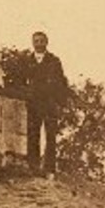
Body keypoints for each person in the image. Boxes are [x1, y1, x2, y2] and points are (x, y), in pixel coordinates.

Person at [22, 30, 69, 179]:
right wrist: (26, 96)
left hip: (49, 103)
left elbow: (61, 83)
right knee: (33, 135)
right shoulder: (27, 61)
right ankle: (33, 167)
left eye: (41, 41)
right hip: (33, 103)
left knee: (50, 137)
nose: (39, 44)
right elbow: (21, 80)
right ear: (32, 43)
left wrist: (59, 103)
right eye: (36, 41)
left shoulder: (54, 61)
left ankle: (50, 169)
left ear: (46, 42)